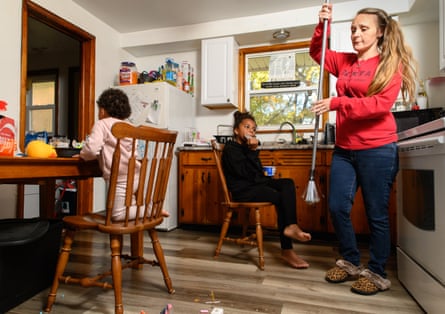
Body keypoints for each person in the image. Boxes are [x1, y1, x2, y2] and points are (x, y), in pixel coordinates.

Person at [310, 4, 417, 295]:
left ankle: (378, 271)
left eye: (363, 28)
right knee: (337, 207)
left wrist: (337, 102)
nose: (356, 33)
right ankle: (350, 262)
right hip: (345, 148)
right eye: (353, 29)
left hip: (378, 148)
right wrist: (323, 25)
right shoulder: (346, 62)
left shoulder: (390, 64)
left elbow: (379, 106)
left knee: (376, 214)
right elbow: (318, 53)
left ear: (380, 32)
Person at [222, 111, 312, 269]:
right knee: (279, 197)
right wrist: (252, 151)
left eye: (254, 129)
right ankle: (287, 250)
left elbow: (256, 172)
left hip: (256, 185)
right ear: (236, 130)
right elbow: (245, 174)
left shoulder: (249, 147)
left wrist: (255, 154)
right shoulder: (231, 149)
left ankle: (291, 226)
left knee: (287, 184)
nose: (251, 131)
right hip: (243, 191)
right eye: (247, 127)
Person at [79, 88, 169, 221]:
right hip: (135, 175)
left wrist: (82, 155)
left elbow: (91, 150)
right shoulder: (129, 126)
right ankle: (146, 209)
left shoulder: (102, 124)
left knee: (117, 214)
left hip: (120, 179)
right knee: (128, 206)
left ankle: (152, 209)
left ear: (102, 110)